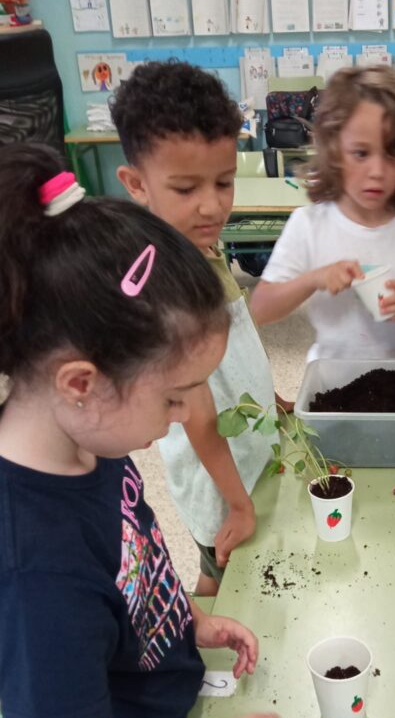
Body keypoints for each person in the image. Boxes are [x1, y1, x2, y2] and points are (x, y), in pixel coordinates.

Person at [0, 144, 287, 718]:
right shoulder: (32, 570)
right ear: (82, 383)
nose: (185, 417)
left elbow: (131, 562)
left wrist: (181, 618)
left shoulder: (87, 440)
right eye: (175, 396)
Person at [111, 61, 280, 597]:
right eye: (186, 188)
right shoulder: (165, 282)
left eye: (224, 182)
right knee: (231, 575)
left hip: (247, 452)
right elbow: (200, 414)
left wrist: (272, 397)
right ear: (136, 184)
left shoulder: (200, 245)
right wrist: (238, 504)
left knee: (217, 570)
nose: (212, 205)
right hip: (218, 484)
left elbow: (236, 339)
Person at [250, 65, 395, 361]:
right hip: (332, 378)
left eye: (392, 153)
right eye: (361, 153)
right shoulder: (308, 224)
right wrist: (314, 279)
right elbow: (260, 309)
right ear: (334, 151)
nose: (376, 172)